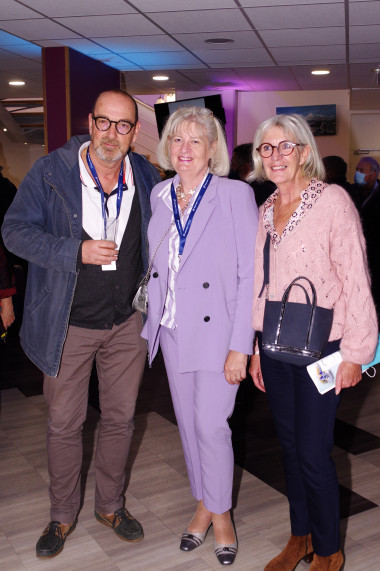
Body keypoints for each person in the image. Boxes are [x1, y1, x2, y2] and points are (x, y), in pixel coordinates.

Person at [2, 89, 161, 558]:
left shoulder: (147, 176)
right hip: (67, 324)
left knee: (120, 420)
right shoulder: (51, 171)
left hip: (127, 321)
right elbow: (13, 231)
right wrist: (75, 251)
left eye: (124, 125)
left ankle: (110, 505)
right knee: (64, 424)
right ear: (90, 123)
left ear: (135, 132)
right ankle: (62, 514)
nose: (112, 134)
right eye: (104, 123)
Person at [248, 114, 378, 570]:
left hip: (325, 346)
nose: (277, 155)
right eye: (267, 148)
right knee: (287, 445)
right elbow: (261, 283)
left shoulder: (334, 201)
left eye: (287, 147)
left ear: (305, 151)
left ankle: (328, 549)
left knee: (312, 450)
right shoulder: (265, 210)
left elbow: (356, 279)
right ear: (259, 158)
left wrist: (356, 353)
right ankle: (300, 536)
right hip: (276, 344)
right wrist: (255, 344)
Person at [142, 106, 258, 566]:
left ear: (213, 149)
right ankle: (203, 503)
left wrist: (240, 345)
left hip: (217, 333)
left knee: (212, 425)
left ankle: (221, 513)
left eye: (195, 141)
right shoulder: (159, 193)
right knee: (189, 426)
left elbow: (250, 276)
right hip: (173, 328)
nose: (184, 150)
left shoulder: (234, 195)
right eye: (176, 140)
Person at [353, 157, 380, 323]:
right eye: (357, 169)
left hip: (376, 257)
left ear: (373, 174)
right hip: (356, 257)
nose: (358, 174)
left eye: (362, 171)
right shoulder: (351, 191)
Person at [229, 142, 275, 207]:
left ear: (244, 168)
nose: (231, 168)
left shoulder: (248, 192)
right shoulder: (272, 187)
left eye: (233, 164)